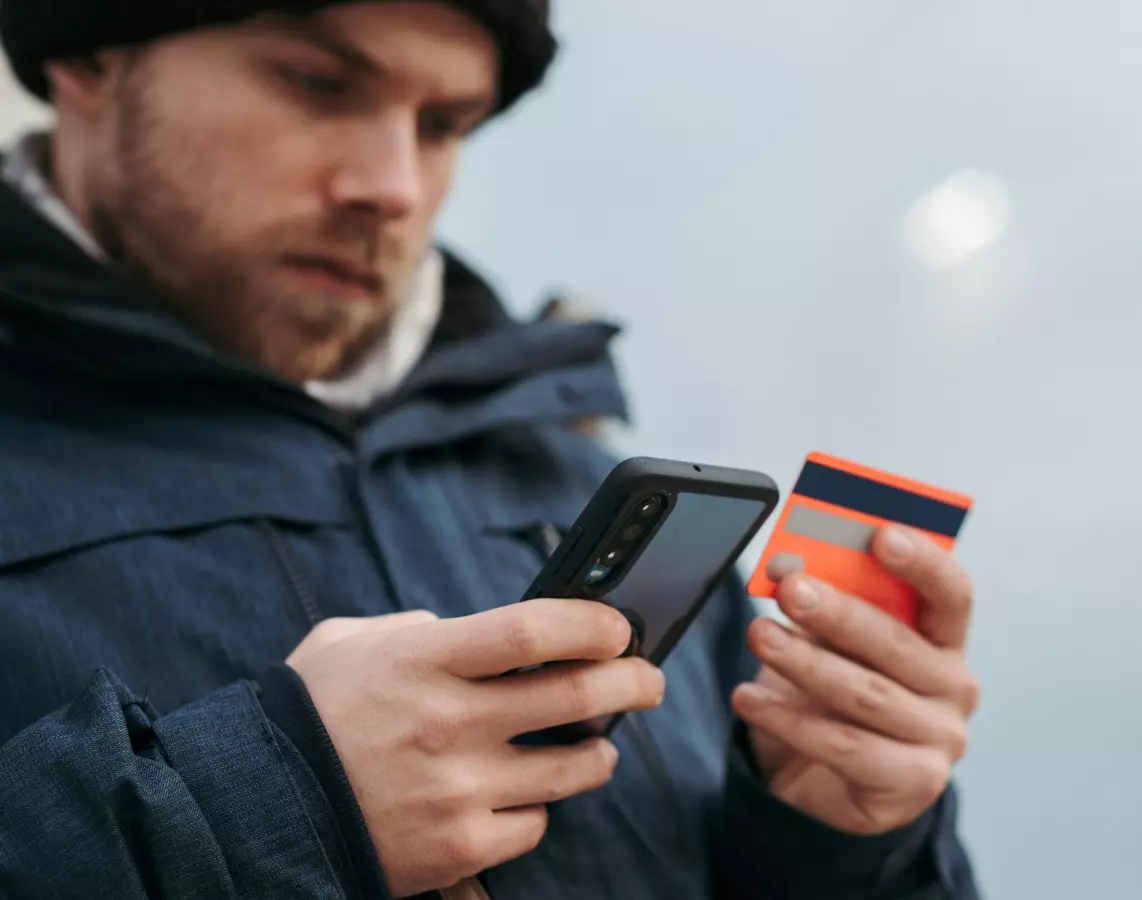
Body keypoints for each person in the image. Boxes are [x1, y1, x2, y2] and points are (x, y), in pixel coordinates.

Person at [0, 2, 983, 898]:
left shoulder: (567, 466)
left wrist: (839, 842)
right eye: (315, 83)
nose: (390, 187)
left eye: (444, 126)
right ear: (92, 52)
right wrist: (263, 803)